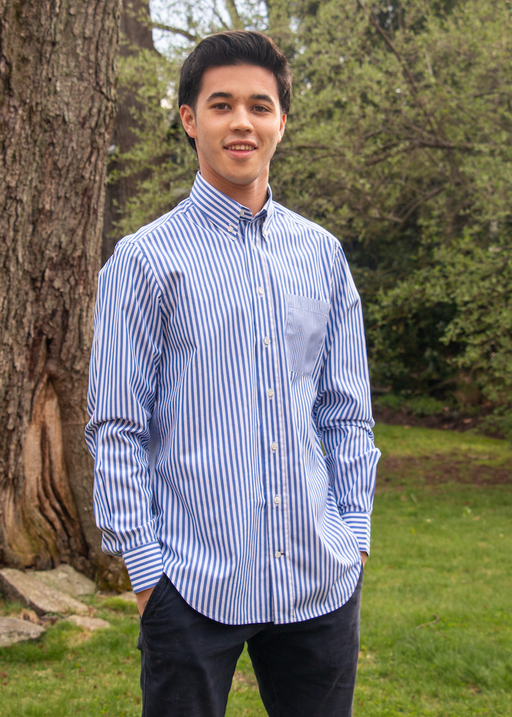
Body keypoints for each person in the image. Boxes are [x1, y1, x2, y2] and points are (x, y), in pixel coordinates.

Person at [85, 30, 380, 717]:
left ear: (282, 120)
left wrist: (353, 534)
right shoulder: (144, 261)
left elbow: (346, 411)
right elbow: (117, 427)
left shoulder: (322, 256)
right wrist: (147, 571)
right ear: (190, 119)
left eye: (259, 104)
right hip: (191, 583)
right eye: (221, 105)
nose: (241, 122)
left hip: (319, 579)